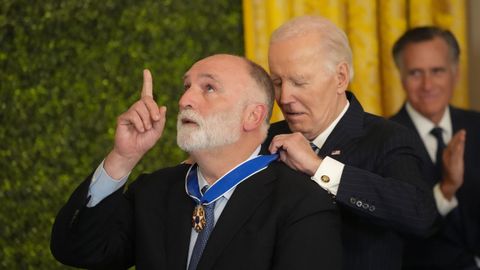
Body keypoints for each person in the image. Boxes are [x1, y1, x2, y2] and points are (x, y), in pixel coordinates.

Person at [50, 54, 342, 270]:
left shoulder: (303, 202)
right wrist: (123, 157)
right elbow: (76, 250)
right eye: (186, 86)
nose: (185, 100)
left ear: (252, 116)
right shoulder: (153, 191)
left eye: (209, 88)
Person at [261, 16, 437, 270]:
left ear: (340, 78)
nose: (285, 97)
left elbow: (421, 215)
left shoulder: (389, 137)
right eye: (277, 82)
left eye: (299, 82)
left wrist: (320, 168)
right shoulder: (263, 137)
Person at [390, 26, 480, 270]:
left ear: (456, 73)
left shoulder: (477, 125)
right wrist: (446, 189)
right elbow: (397, 234)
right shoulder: (383, 140)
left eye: (437, 71)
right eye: (416, 73)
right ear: (401, 78)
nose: (427, 85)